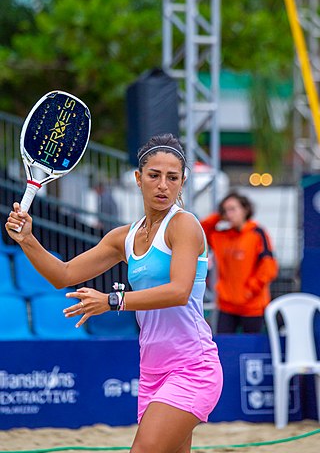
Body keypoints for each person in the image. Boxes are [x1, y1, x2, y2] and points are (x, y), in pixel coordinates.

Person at [6, 133, 223, 453]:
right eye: (154, 175)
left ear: (182, 183)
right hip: (152, 371)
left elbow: (179, 291)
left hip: (192, 367)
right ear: (138, 179)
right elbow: (63, 275)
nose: (163, 185)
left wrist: (111, 301)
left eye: (172, 177)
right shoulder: (124, 237)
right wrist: (27, 239)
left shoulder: (184, 225)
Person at [201, 191, 278, 334]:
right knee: (224, 347)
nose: (229, 214)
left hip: (252, 306)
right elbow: (200, 231)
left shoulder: (257, 233)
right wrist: (218, 216)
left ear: (245, 210)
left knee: (252, 350)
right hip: (226, 305)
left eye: (233, 209)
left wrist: (251, 289)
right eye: (225, 211)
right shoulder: (221, 236)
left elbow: (269, 267)